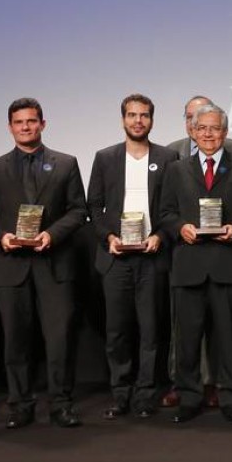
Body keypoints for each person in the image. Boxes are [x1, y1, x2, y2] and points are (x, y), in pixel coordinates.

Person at [0, 97, 88, 429]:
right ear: (10, 127)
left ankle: (61, 405)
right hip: (11, 264)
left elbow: (79, 211)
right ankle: (20, 406)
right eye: (19, 122)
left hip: (54, 263)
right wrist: (2, 238)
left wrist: (52, 234)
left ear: (43, 124)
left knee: (59, 339)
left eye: (32, 121)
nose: (26, 127)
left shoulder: (66, 163)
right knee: (16, 340)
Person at [159, 102, 232, 423]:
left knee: (230, 339)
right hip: (189, 267)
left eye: (214, 128)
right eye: (201, 128)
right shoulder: (176, 170)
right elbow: (166, 214)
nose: (207, 134)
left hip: (228, 264)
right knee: (188, 339)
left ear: (225, 132)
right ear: (191, 131)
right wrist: (181, 228)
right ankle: (189, 397)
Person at [87, 94, 178, 420]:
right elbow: (93, 208)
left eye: (144, 115)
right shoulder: (105, 157)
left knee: (151, 332)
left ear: (152, 120)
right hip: (116, 258)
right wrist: (108, 237)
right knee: (117, 333)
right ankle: (120, 395)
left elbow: (172, 209)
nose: (138, 120)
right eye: (132, 115)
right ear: (123, 119)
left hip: (152, 258)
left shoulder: (168, 158)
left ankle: (144, 396)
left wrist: (160, 236)